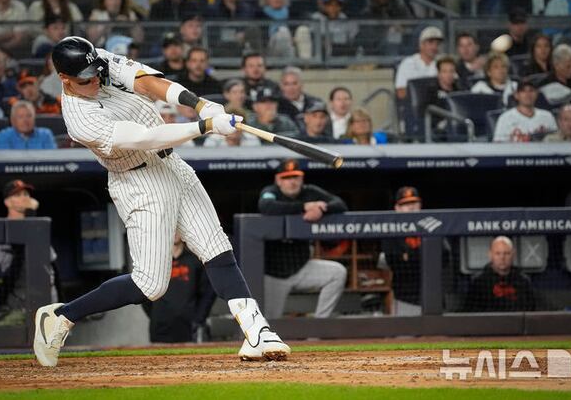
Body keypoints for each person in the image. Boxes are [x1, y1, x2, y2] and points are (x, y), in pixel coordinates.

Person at [33, 36, 290, 367]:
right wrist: (204, 126)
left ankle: (257, 332)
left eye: (96, 72)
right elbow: (146, 138)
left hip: (172, 165)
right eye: (85, 78)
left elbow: (148, 83)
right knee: (150, 285)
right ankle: (63, 316)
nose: (95, 79)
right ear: (64, 79)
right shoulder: (80, 119)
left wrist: (200, 104)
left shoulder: (99, 62)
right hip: (139, 182)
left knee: (216, 247)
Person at [258, 159, 348, 318]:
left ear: (301, 178)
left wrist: (321, 209)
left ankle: (320, 324)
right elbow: (266, 206)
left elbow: (340, 204)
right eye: (286, 178)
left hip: (301, 268)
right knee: (270, 322)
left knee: (337, 273)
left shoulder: (309, 192)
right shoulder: (271, 192)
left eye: (295, 177)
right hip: (274, 274)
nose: (292, 182)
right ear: (278, 180)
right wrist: (304, 207)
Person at [0, 180, 60, 320]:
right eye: (17, 195)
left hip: (48, 296)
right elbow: (12, 271)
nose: (24, 198)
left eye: (26, 194)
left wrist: (62, 299)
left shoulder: (38, 226)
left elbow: (52, 264)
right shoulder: (2, 229)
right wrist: (30, 214)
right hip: (21, 299)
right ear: (7, 202)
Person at [143, 232, 216, 342]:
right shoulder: (154, 262)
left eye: (178, 228)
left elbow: (208, 292)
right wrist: (155, 315)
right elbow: (144, 291)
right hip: (160, 328)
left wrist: (199, 318)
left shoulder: (195, 261)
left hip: (189, 328)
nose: (174, 232)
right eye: (171, 228)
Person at [463, 236, 536, 312]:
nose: (502, 258)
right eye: (498, 253)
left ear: (513, 254)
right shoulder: (478, 282)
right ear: (490, 255)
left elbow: (530, 310)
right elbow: (471, 312)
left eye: (506, 253)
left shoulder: (523, 281)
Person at [380, 186, 423, 316]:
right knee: (404, 328)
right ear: (397, 208)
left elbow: (444, 257)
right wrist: (419, 256)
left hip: (432, 293)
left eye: (414, 203)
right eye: (405, 204)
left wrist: (409, 255)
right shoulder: (391, 231)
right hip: (404, 296)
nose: (411, 207)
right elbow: (394, 263)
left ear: (420, 205)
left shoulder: (431, 225)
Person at [395, 26, 443, 100]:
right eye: (430, 43)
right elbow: (400, 92)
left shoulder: (442, 63)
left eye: (437, 44)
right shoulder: (408, 63)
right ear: (421, 45)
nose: (434, 47)